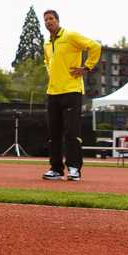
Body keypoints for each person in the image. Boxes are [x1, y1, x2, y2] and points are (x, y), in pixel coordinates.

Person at [40, 10, 100, 182]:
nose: (48, 22)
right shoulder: (46, 43)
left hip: (72, 91)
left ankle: (74, 169)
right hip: (52, 93)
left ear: (58, 20)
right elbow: (47, 61)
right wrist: (51, 73)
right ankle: (56, 169)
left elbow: (95, 46)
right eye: (45, 20)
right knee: (54, 134)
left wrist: (86, 67)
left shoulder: (71, 36)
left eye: (51, 19)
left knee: (71, 132)